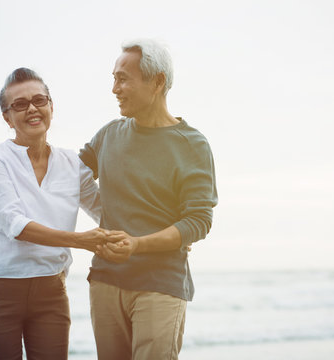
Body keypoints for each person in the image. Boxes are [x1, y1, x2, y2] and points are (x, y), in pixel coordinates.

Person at [80, 39, 218, 360]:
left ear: (157, 82)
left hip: (160, 284)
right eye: (114, 78)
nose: (115, 89)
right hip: (105, 280)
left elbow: (198, 221)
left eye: (123, 79)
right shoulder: (108, 135)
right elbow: (61, 175)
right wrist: (5, 164)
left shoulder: (192, 144)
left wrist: (137, 245)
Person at [0, 67, 108, 360]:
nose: (32, 108)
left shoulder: (72, 164)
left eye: (39, 100)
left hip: (50, 290)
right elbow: (15, 225)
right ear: (7, 117)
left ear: (51, 106)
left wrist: (158, 234)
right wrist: (81, 240)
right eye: (20, 104)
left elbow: (105, 212)